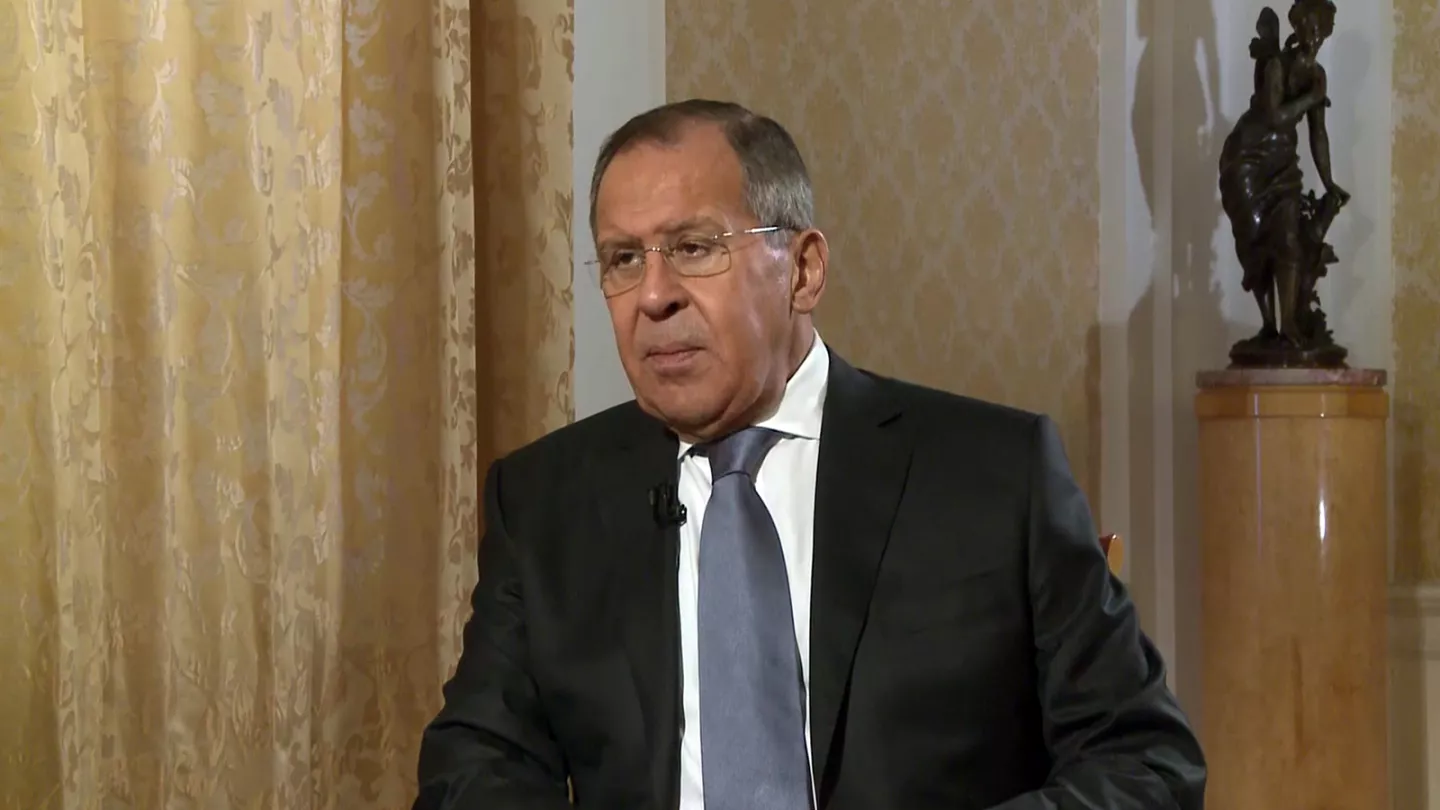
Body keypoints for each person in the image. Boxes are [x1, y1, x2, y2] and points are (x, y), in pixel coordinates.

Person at [413, 99, 1206, 810]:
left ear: (803, 269)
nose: (653, 296)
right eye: (623, 259)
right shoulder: (546, 501)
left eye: (693, 247)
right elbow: (473, 768)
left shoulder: (992, 474)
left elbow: (1145, 762)